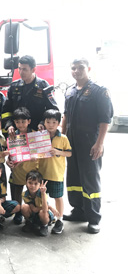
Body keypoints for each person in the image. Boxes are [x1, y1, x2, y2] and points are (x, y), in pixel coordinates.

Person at [62, 58, 113, 234]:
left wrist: (99, 144)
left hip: (89, 142)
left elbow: (105, 120)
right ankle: (78, 211)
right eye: (73, 68)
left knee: (90, 179)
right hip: (72, 142)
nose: (76, 71)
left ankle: (93, 218)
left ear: (88, 69)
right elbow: (66, 117)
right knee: (74, 178)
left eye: (80, 68)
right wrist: (62, 140)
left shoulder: (99, 91)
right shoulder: (69, 91)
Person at [2, 55, 58, 136]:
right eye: (19, 69)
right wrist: (9, 125)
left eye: (24, 69)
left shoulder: (43, 86)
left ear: (33, 69)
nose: (21, 72)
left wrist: (43, 123)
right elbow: (6, 111)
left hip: (37, 131)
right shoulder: (14, 87)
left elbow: (53, 109)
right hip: (18, 133)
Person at [39, 109, 72, 234]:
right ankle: (45, 220)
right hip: (41, 172)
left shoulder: (63, 138)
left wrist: (58, 152)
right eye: (48, 122)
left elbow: (69, 153)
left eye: (54, 122)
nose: (51, 124)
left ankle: (59, 220)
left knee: (58, 197)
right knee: (42, 197)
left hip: (56, 173)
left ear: (58, 123)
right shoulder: (40, 136)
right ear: (44, 122)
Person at [6, 107, 39, 225]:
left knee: (35, 193)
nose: (20, 124)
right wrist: (8, 161)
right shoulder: (12, 136)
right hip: (18, 170)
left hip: (32, 168)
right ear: (14, 123)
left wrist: (35, 155)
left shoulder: (35, 134)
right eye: (17, 122)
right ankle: (18, 213)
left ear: (29, 121)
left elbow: (41, 151)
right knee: (17, 192)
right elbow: (10, 152)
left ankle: (35, 214)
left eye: (23, 121)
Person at [21, 170, 57, 237]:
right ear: (26, 183)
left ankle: (44, 226)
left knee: (42, 212)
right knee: (24, 207)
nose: (32, 186)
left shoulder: (43, 194)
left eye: (36, 183)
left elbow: (45, 210)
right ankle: (30, 223)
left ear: (40, 185)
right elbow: (34, 209)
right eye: (30, 183)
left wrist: (43, 193)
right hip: (33, 215)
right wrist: (50, 207)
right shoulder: (25, 194)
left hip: (44, 216)